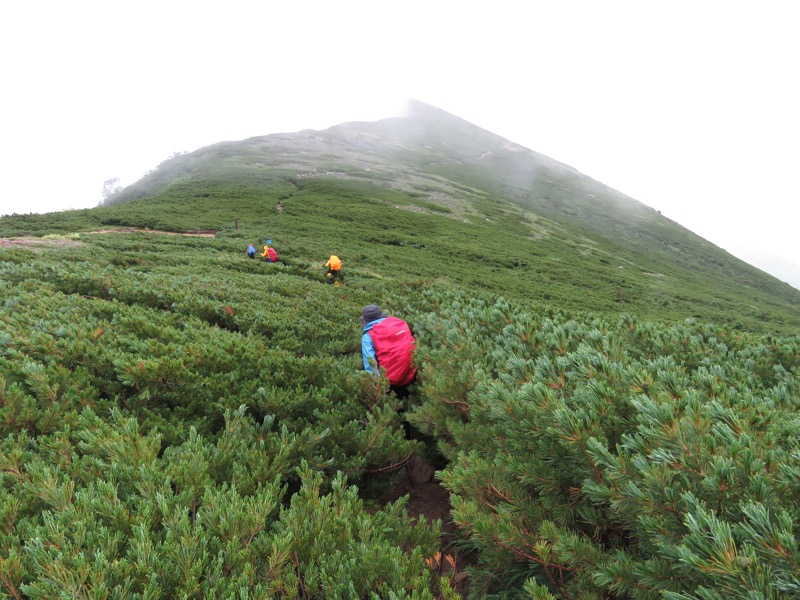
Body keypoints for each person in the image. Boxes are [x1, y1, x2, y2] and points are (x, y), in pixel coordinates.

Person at [360, 304, 417, 395]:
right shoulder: (399, 323)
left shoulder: (368, 337)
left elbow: (370, 363)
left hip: (392, 382)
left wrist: (379, 388)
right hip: (413, 372)